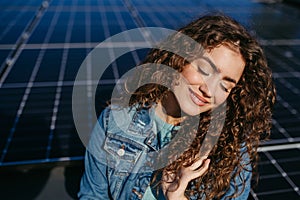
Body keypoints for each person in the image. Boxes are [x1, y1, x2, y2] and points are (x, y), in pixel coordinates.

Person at [78, 14, 276, 200]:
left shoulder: (232, 147)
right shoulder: (114, 121)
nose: (209, 90)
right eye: (205, 70)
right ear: (179, 58)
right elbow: (92, 195)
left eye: (225, 85)